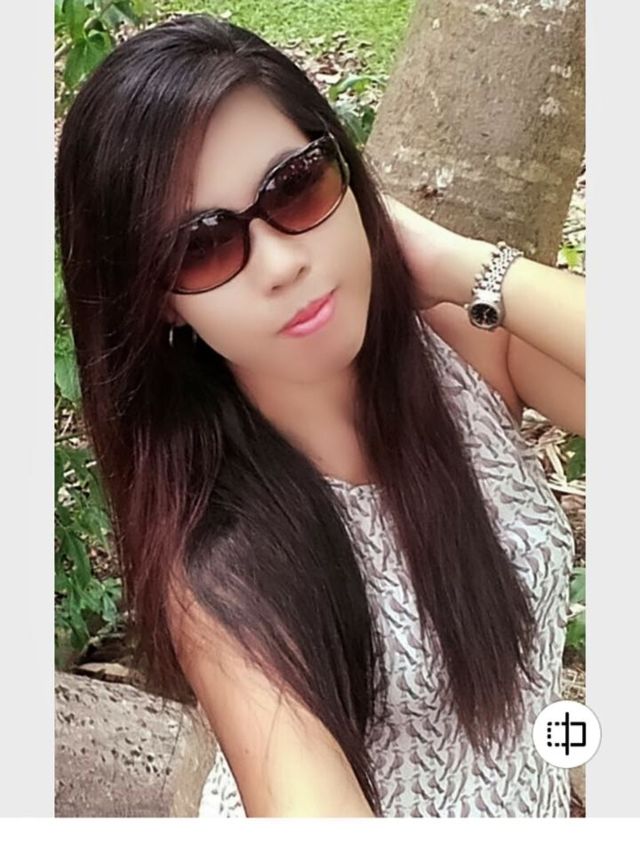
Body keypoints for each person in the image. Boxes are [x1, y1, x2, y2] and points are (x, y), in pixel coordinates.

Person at [55, 13, 585, 818]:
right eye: (201, 245)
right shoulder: (220, 567)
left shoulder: (460, 346)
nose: (280, 263)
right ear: (159, 302)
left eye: (296, 186)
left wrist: (459, 262)